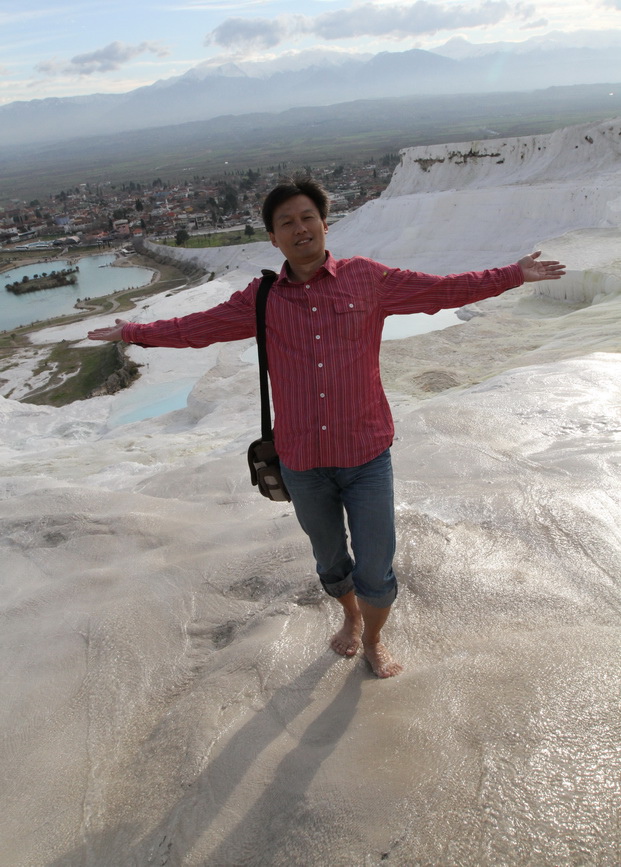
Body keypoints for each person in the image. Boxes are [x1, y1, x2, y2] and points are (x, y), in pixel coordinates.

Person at [88, 176, 565, 678]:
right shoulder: (262, 298)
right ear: (273, 238)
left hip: (366, 455)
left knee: (376, 564)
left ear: (324, 224)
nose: (300, 229)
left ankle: (373, 638)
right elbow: (196, 328)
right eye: (286, 223)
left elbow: (441, 290)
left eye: (307, 218)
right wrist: (133, 331)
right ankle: (350, 618)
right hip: (303, 462)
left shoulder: (368, 278)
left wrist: (513, 274)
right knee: (331, 560)